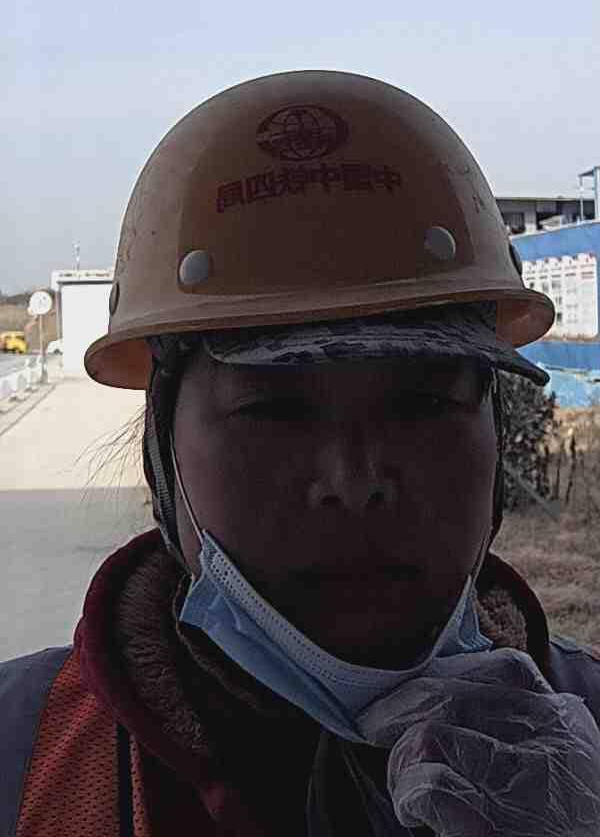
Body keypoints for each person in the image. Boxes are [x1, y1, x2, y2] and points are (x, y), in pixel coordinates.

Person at [2, 71, 600, 837]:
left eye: (425, 402)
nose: (355, 482)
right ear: (162, 455)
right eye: (273, 410)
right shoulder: (22, 760)